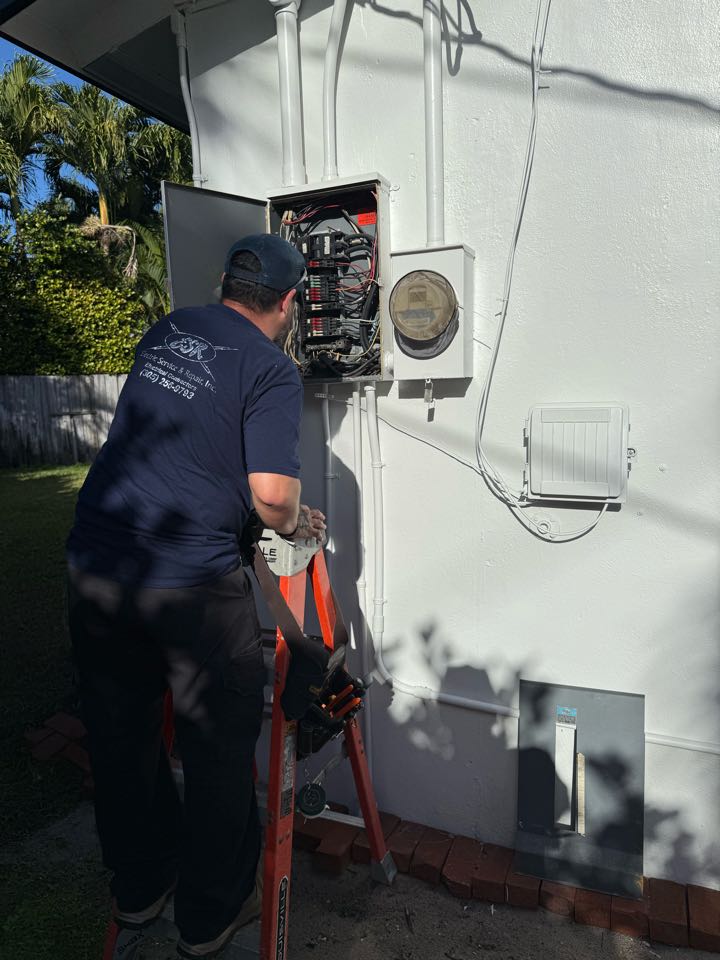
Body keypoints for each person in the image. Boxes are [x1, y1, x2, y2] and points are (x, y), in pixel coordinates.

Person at [66, 234, 325, 958]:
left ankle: (141, 889)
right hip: (189, 588)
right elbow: (272, 498)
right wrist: (296, 515)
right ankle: (210, 918)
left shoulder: (169, 329)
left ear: (224, 285)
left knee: (121, 738)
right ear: (290, 301)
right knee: (216, 750)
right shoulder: (271, 369)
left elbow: (189, 448)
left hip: (96, 565)